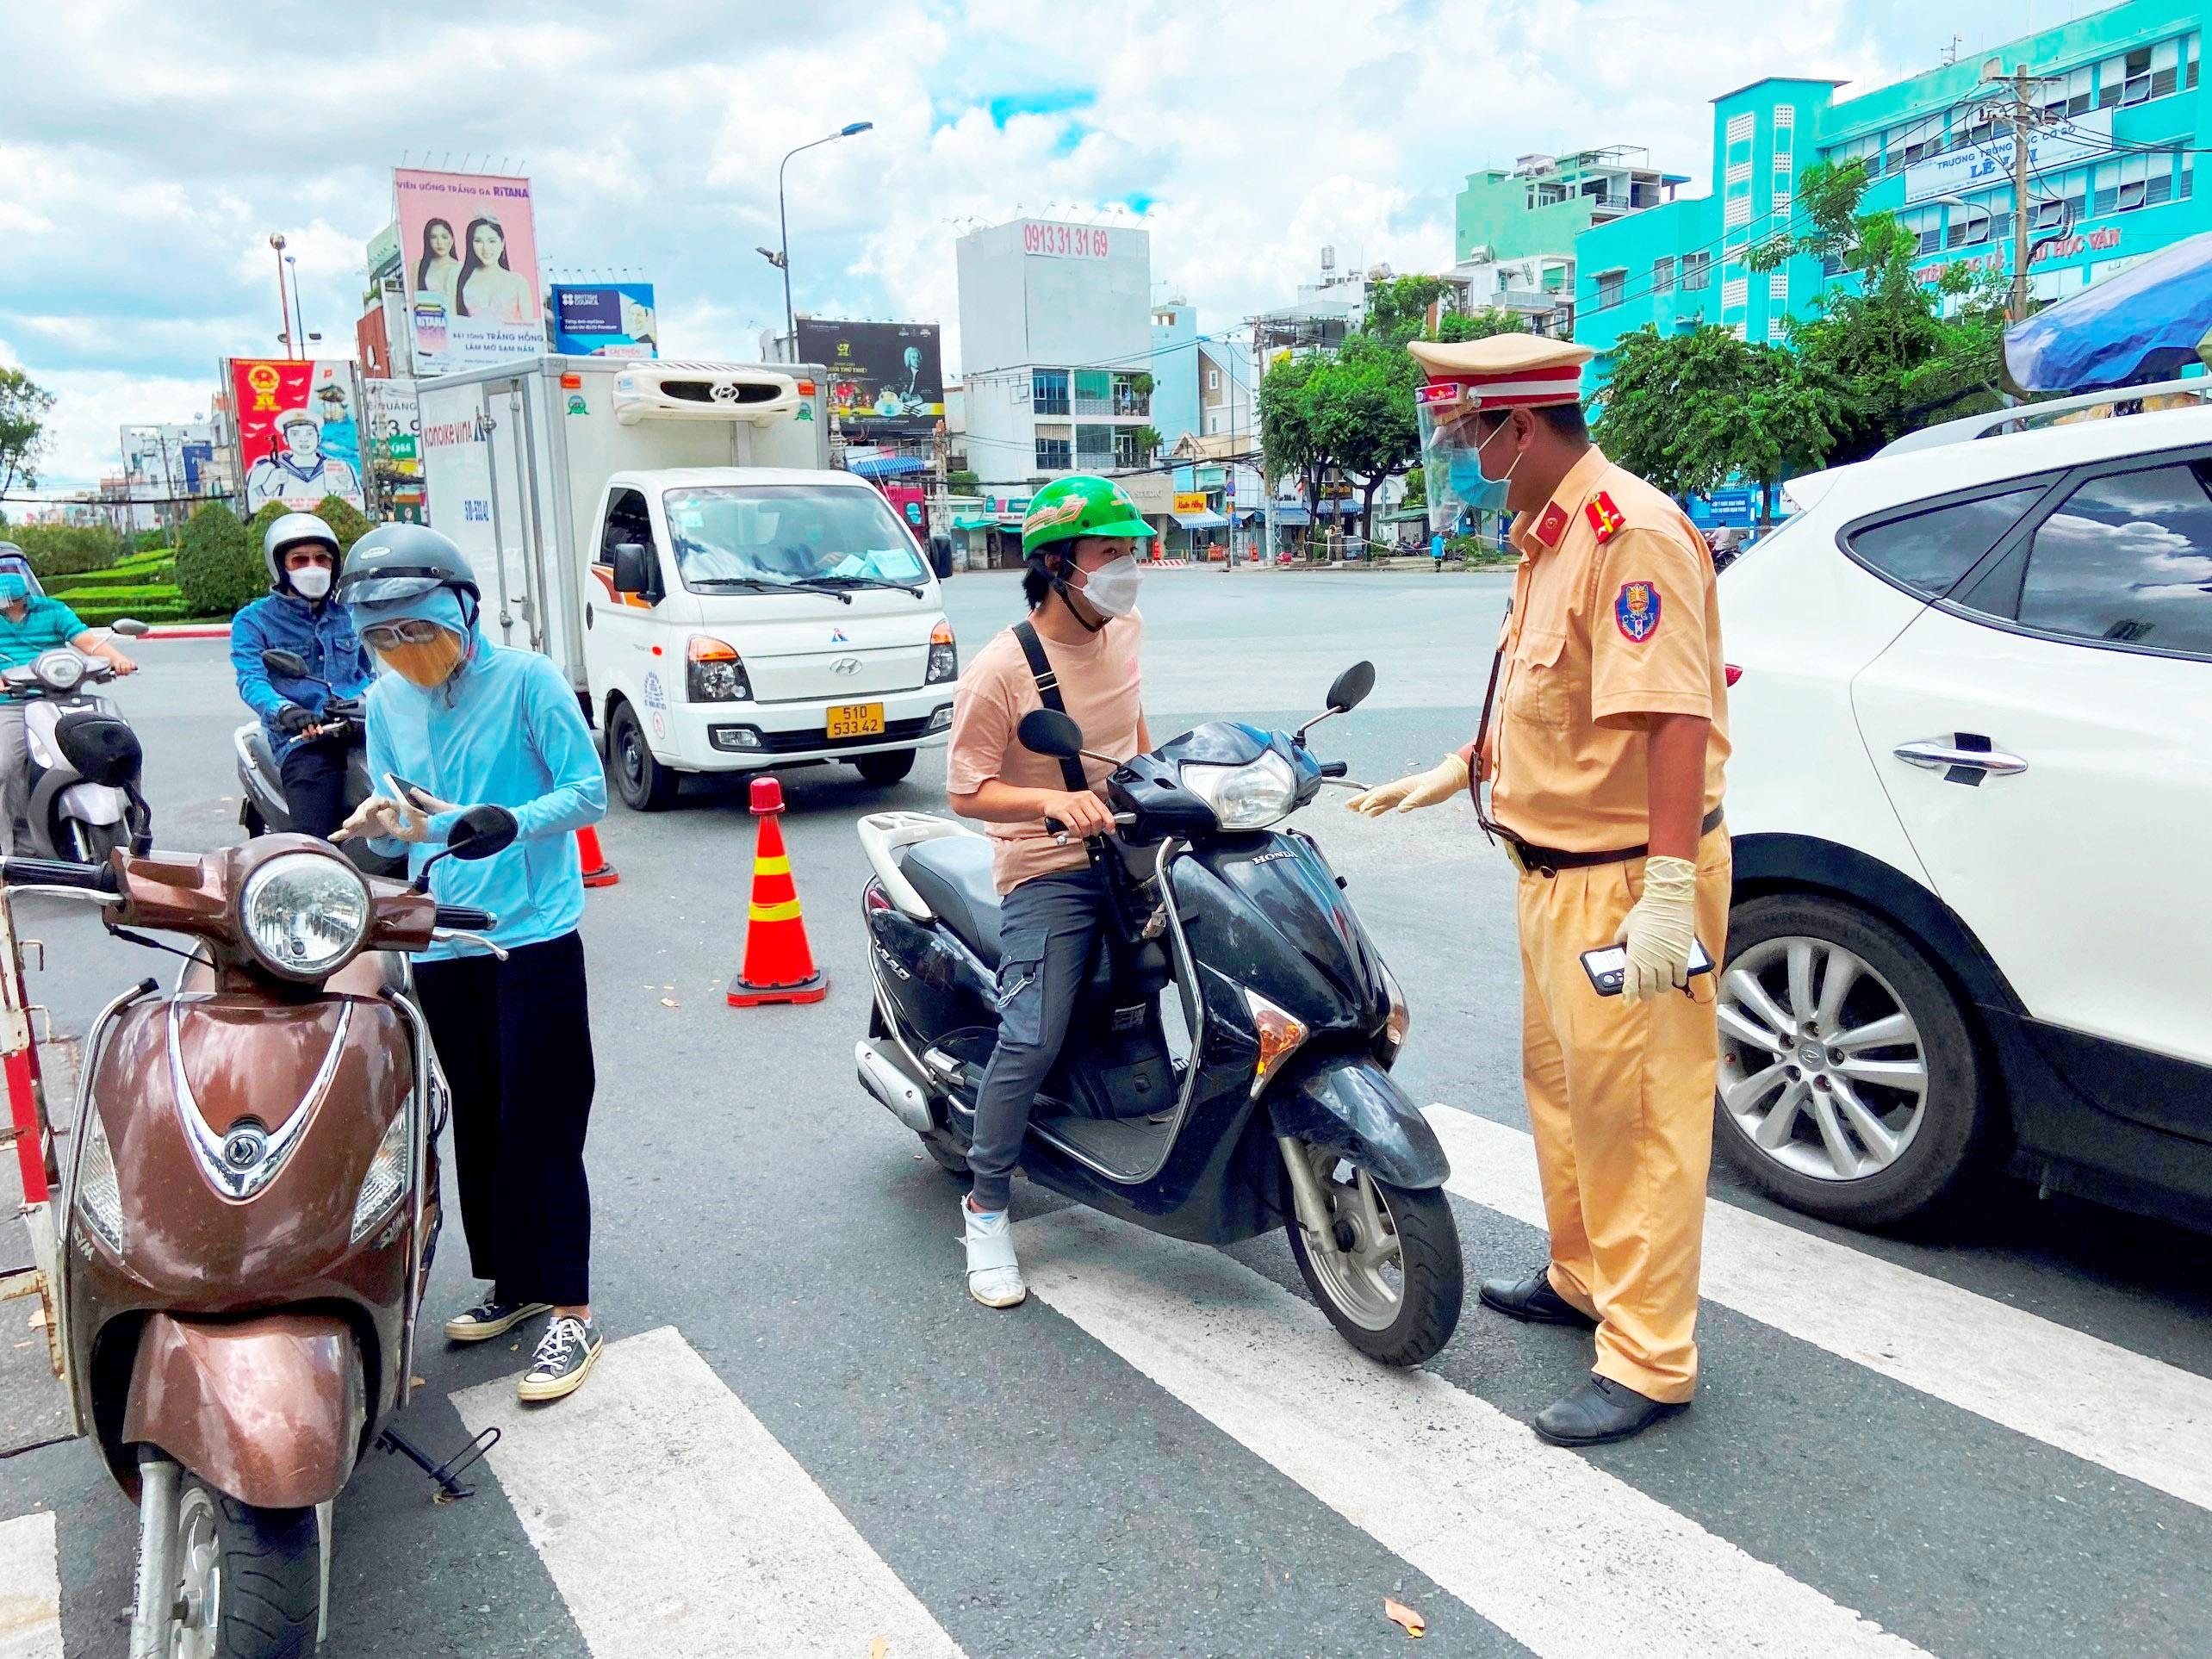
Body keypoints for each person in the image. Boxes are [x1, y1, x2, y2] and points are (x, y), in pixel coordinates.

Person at [1346, 334, 1730, 1450]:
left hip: (1627, 882)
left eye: (1472, 437)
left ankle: (1652, 1355)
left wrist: (1666, 889)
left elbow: (1674, 721)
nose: (1466, 457)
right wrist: (1464, 769)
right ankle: (1582, 1274)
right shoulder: (1551, 536)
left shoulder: (1631, 534)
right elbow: (1538, 689)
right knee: (1567, 1094)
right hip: (1555, 874)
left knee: (1645, 1114)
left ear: (1524, 427)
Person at [331, 525, 611, 1403]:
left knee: (544, 1116)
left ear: (462, 608)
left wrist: (489, 819)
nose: (403, 652)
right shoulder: (385, 701)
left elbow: (586, 792)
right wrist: (389, 823)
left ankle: (571, 1308)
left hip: (530, 931)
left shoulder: (525, 681)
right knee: (482, 1115)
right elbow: (396, 796)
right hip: (442, 936)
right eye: (383, 637)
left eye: (417, 629)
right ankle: (514, 1283)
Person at [942, 475, 1154, 1308]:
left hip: (1127, 847)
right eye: (1111, 553)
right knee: (1028, 1035)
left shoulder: (1127, 628)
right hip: (1047, 866)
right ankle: (987, 1204)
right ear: (1061, 566)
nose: (1127, 569)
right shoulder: (1002, 668)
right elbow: (966, 790)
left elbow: (1133, 730)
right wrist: (1050, 802)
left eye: (1130, 552)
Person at [231, 513, 374, 840]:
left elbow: (373, 669)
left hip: (364, 727)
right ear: (281, 567)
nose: (314, 566)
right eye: (301, 560)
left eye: (322, 559)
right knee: (317, 840)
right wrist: (285, 710)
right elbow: (251, 679)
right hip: (307, 739)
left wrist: (374, 700)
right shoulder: (254, 620)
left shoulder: (350, 613)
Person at [0, 548, 138, 852]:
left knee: (114, 749)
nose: (7, 580)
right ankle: (6, 855)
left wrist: (117, 659)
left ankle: (136, 823)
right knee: (4, 766)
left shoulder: (52, 610)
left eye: (12, 572)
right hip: (12, 702)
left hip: (61, 697)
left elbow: (85, 641)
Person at [244, 407, 363, 511]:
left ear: (319, 438)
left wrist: (349, 489)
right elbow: (252, 505)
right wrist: (267, 487)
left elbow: (359, 506)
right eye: (295, 434)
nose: (303, 440)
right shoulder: (269, 469)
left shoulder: (339, 467)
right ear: (285, 439)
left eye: (309, 434)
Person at [455, 216, 534, 325]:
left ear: (502, 243)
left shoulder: (518, 282)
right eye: (478, 241)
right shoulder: (460, 278)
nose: (485, 248)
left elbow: (529, 328)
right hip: (471, 340)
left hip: (509, 340)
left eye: (492, 241)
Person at [415, 217, 461, 311]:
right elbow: (414, 303)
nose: (440, 242)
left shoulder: (461, 267)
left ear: (452, 240)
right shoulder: (419, 266)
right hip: (430, 321)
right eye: (434, 237)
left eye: (444, 237)